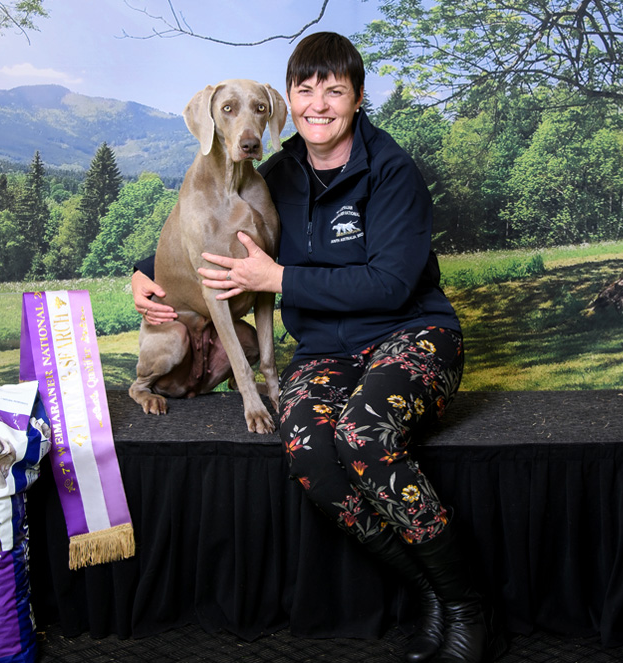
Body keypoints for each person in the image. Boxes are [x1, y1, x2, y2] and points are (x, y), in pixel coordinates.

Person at [132, 32, 503, 663]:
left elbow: (391, 283)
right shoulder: (280, 172)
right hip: (328, 352)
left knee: (362, 436)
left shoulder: (393, 172)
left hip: (412, 336)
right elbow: (208, 220)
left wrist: (279, 281)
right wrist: (144, 270)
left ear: (357, 99)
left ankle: (468, 605)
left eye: (335, 90)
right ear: (290, 105)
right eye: (306, 90)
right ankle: (431, 591)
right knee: (307, 449)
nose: (319, 104)